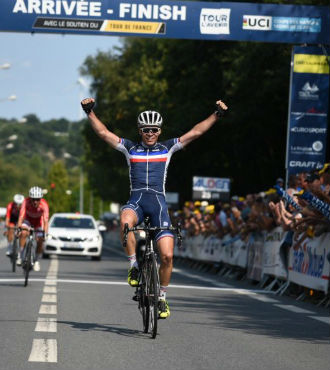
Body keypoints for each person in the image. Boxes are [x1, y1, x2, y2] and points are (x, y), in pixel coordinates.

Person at [81, 97, 228, 319]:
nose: (150, 133)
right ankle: (133, 266)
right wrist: (90, 112)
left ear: (159, 131)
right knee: (125, 222)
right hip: (137, 201)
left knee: (167, 256)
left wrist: (216, 115)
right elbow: (104, 134)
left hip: (158, 204)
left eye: (154, 129)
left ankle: (162, 298)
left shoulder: (167, 147)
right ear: (140, 131)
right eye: (146, 129)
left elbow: (196, 132)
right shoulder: (130, 148)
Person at [17, 187, 49, 272]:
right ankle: (20, 255)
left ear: (40, 199)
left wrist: (45, 233)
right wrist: (19, 228)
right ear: (30, 198)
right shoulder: (26, 202)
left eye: (37, 199)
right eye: (33, 199)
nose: (35, 202)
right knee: (23, 233)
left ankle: (37, 260)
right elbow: (21, 217)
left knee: (40, 239)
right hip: (28, 221)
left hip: (38, 223)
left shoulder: (44, 205)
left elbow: (46, 221)